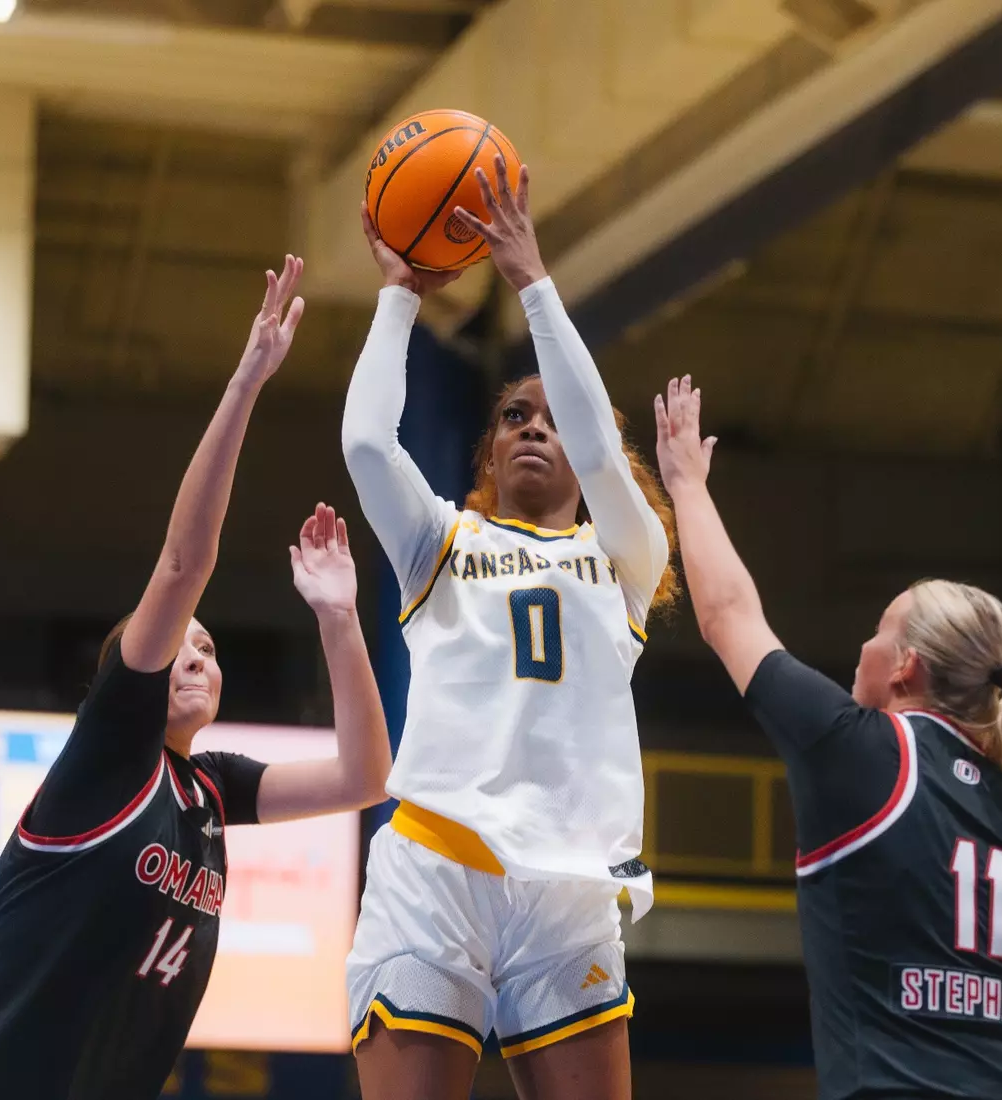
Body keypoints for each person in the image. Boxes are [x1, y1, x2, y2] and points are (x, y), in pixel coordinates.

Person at [0, 257, 393, 1100]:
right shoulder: (110, 760)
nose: (199, 655)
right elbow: (183, 563)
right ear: (132, 679)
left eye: (211, 649)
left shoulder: (207, 790)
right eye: (181, 645)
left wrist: (340, 620)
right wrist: (245, 383)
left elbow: (366, 777)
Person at [654, 375, 1002, 1100]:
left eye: (877, 632)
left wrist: (687, 483)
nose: (862, 646)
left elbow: (729, 613)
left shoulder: (856, 752)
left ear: (905, 668)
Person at [341, 158, 677, 1100]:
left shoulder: (625, 557)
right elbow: (369, 442)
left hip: (570, 887)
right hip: (437, 861)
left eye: (554, 419)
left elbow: (605, 448)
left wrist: (532, 283)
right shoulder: (438, 540)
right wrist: (398, 301)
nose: (535, 427)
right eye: (513, 416)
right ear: (487, 449)